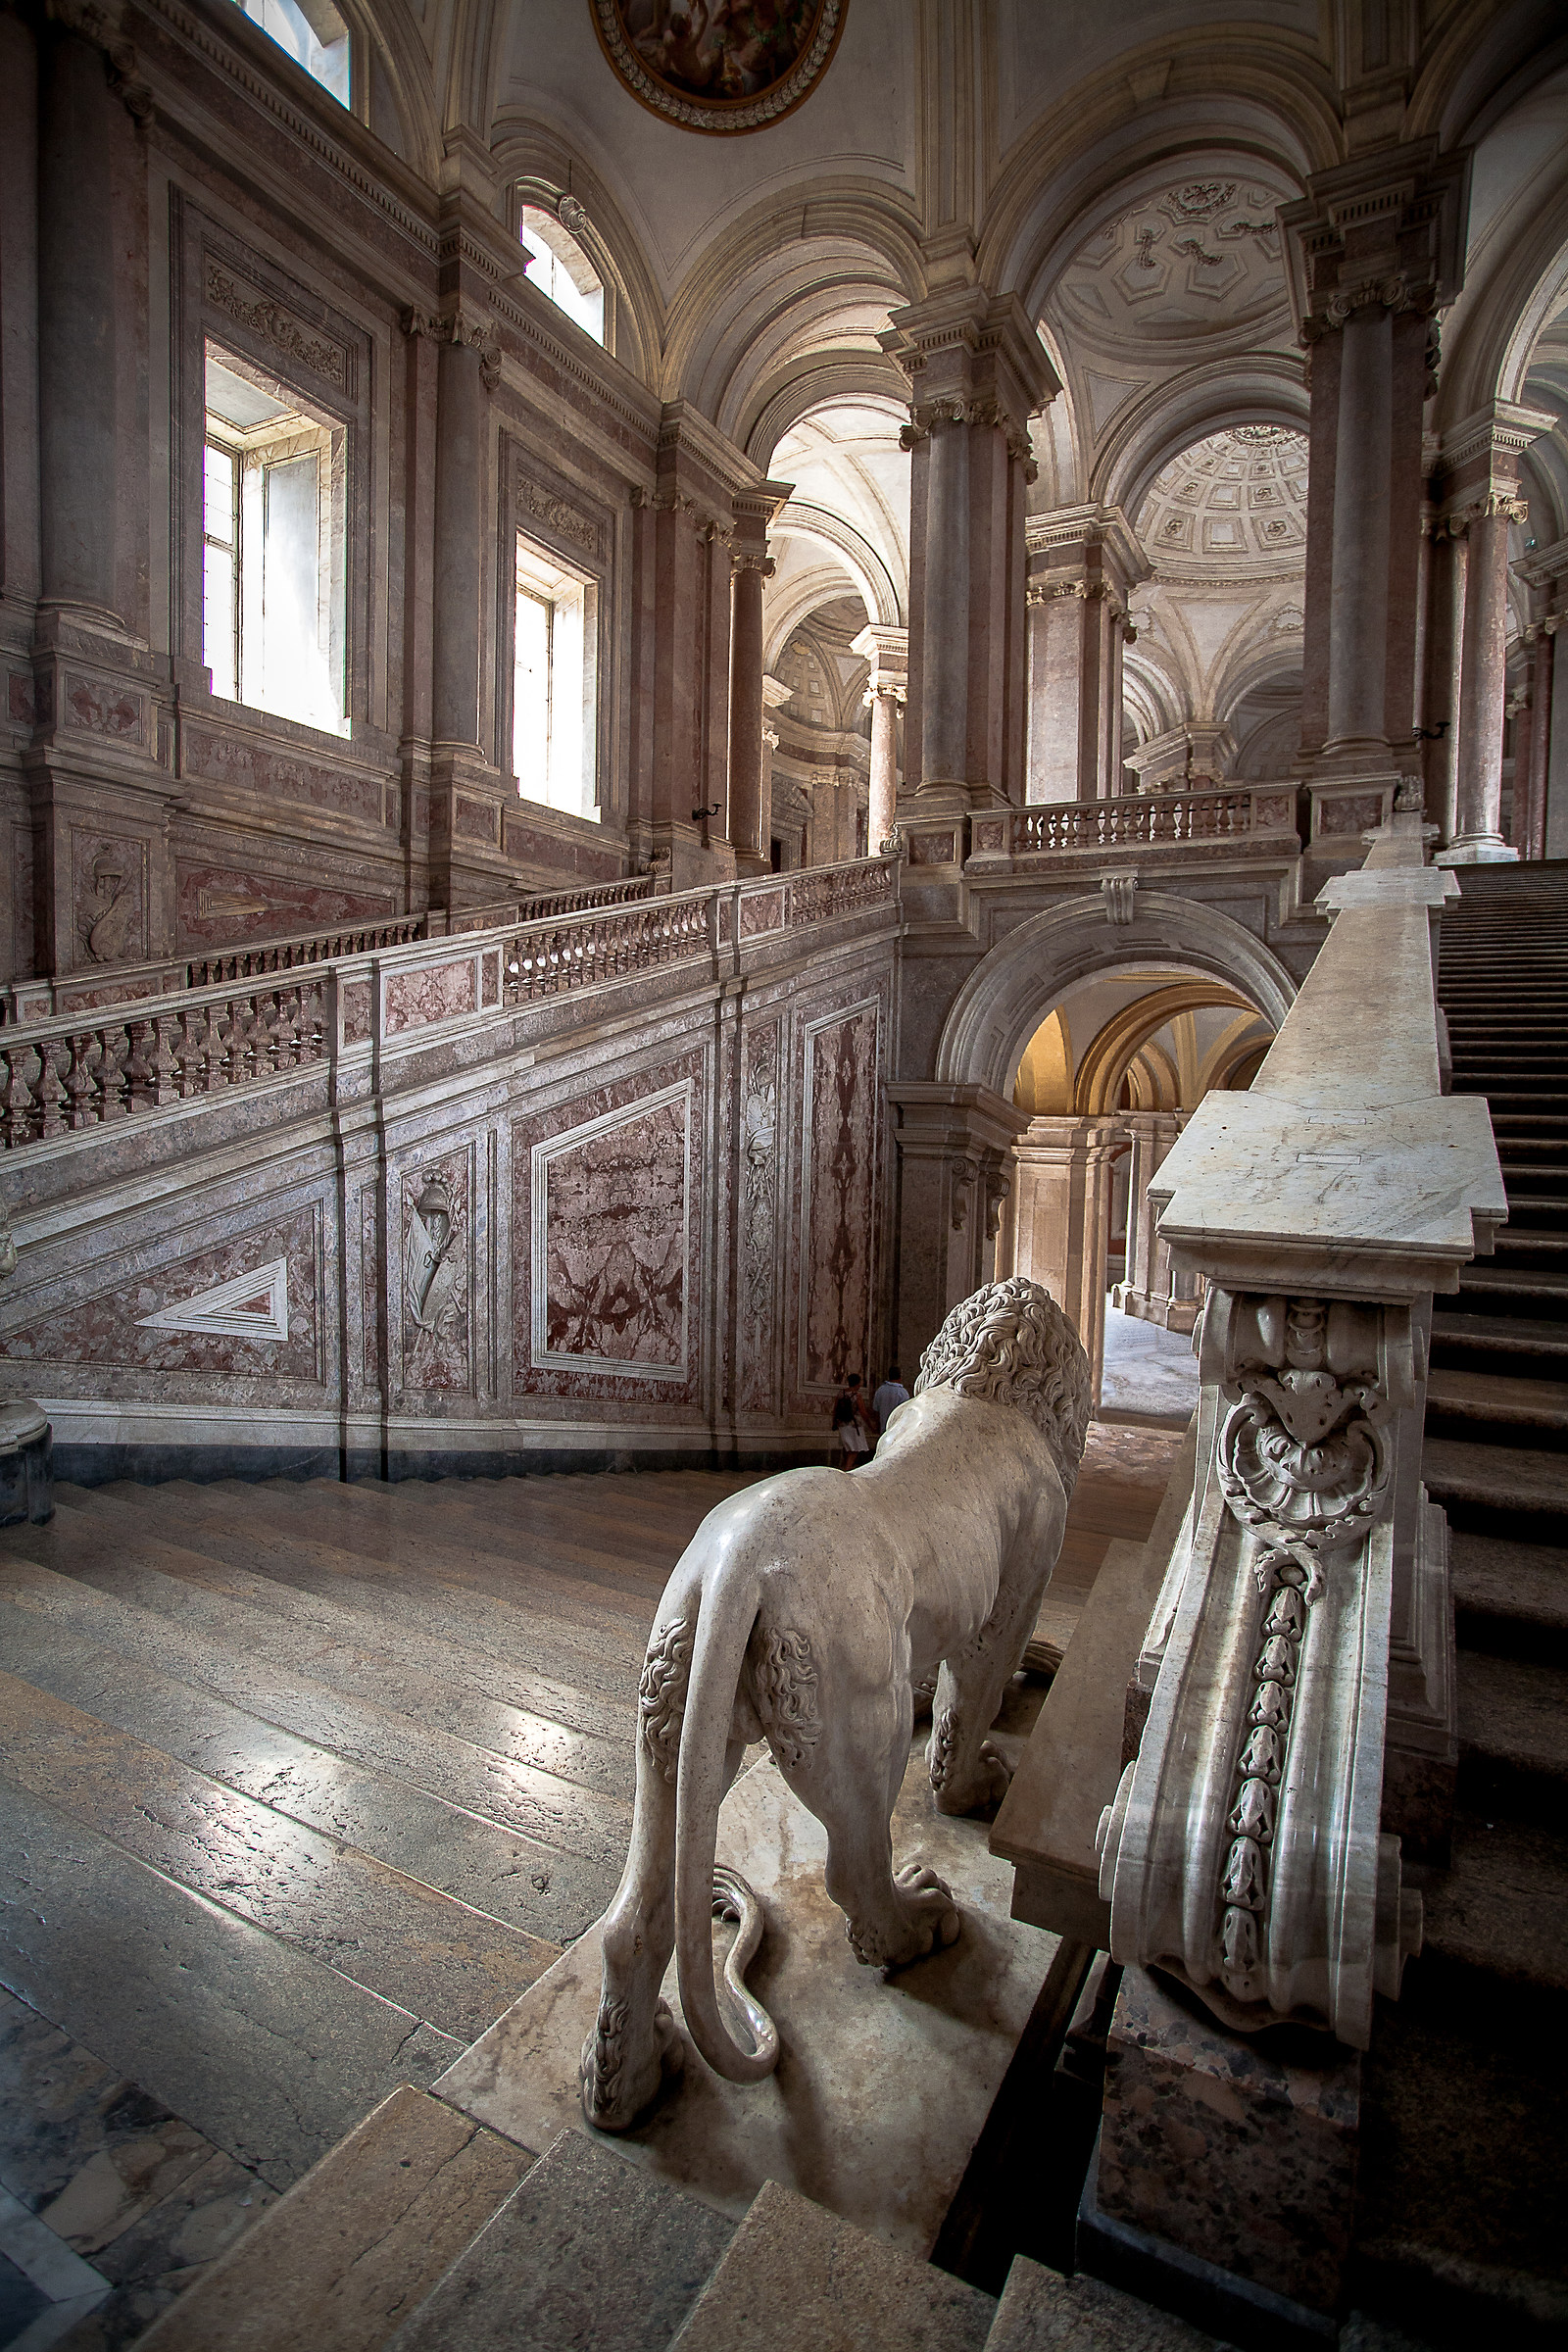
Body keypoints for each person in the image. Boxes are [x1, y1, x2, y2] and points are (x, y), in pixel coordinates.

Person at [831, 1371, 871, 1470]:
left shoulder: (841, 1393)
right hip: (854, 1425)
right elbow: (863, 1412)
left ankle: (845, 1466)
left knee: (848, 1448)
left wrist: (834, 1422)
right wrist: (870, 1425)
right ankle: (848, 1469)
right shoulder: (857, 1396)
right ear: (858, 1383)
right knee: (855, 1449)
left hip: (842, 1425)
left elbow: (835, 1409)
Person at [870, 1365, 909, 1448]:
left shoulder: (880, 1390)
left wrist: (877, 1424)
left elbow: (875, 1410)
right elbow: (906, 1412)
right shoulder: (902, 1392)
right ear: (900, 1377)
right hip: (897, 1429)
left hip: (883, 1427)